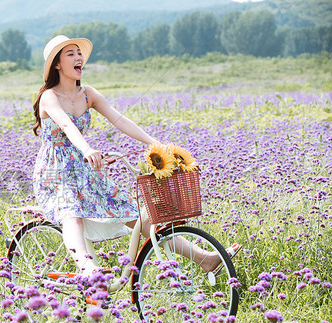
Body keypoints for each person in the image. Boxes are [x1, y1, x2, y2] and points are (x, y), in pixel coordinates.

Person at [32, 35, 239, 276]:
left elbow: (119, 119)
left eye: (79, 53)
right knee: (71, 214)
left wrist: (155, 143)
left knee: (137, 216)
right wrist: (87, 149)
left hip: (86, 169)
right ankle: (87, 270)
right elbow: (67, 126)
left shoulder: (88, 94)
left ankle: (204, 259)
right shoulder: (50, 97)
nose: (78, 57)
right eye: (70, 54)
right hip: (55, 171)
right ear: (57, 64)